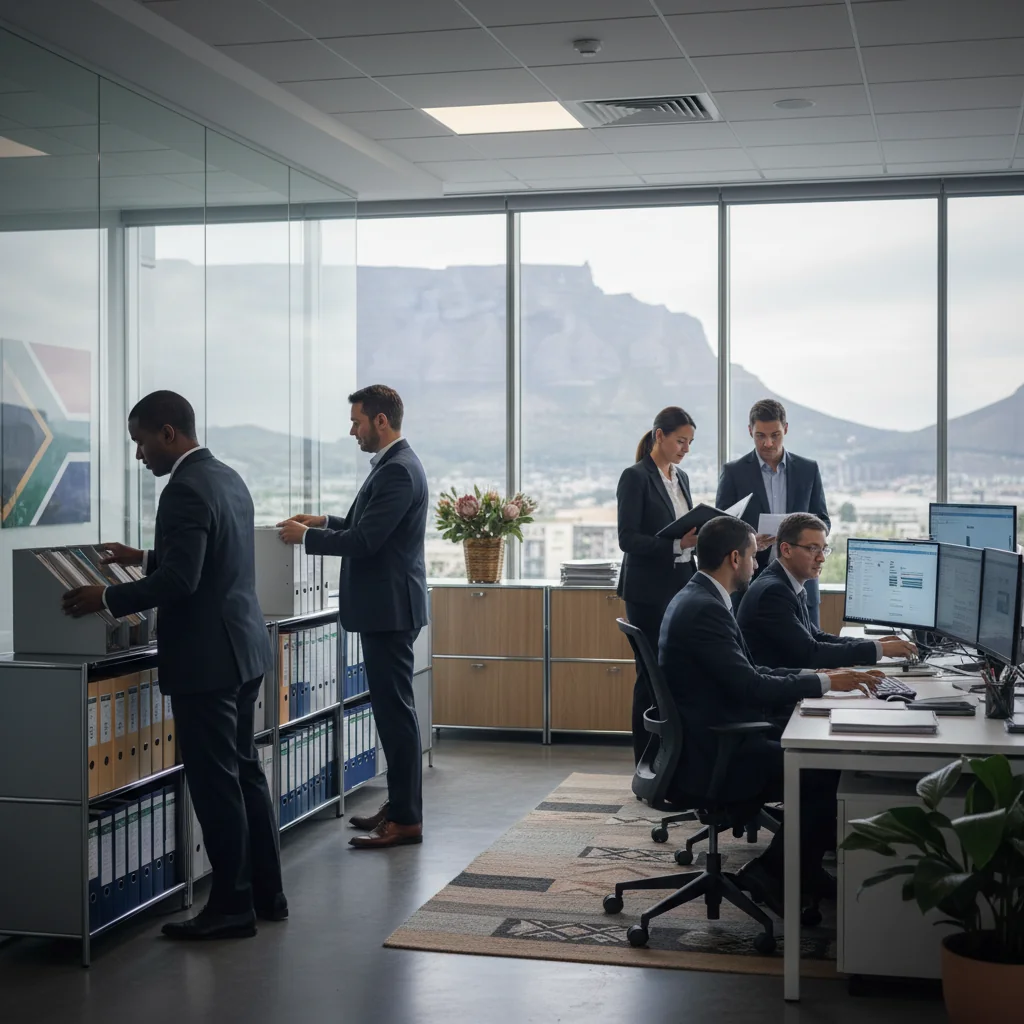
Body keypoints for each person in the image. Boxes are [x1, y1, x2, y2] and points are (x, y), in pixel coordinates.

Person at [62, 391, 284, 940]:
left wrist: (107, 600)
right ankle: (266, 892)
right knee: (245, 772)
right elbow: (211, 558)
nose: (140, 456)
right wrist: (140, 558)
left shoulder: (182, 488)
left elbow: (183, 581)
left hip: (208, 660)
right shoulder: (226, 476)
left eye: (140, 442)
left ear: (168, 433)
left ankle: (231, 908)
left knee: (215, 784)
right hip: (243, 648)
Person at [659, 515, 880, 910]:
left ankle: (799, 872)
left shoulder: (700, 597)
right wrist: (825, 682)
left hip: (709, 733)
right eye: (752, 556)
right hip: (714, 751)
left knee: (820, 754)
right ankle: (776, 874)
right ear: (733, 558)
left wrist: (819, 676)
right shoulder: (707, 609)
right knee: (822, 767)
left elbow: (750, 671)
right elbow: (751, 686)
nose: (757, 565)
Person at [278, 385, 427, 850]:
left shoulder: (398, 471)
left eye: (357, 421)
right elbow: (365, 527)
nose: (352, 430)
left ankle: (405, 819)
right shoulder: (394, 466)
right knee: (390, 713)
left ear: (381, 421)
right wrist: (323, 522)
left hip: (389, 611)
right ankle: (401, 806)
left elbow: (366, 543)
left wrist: (306, 538)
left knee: (395, 715)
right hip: (386, 608)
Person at [615, 406, 699, 765]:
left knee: (676, 676)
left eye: (690, 442)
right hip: (648, 593)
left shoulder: (681, 478)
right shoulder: (635, 478)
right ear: (659, 436)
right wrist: (677, 545)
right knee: (650, 679)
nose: (686, 449)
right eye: (681, 441)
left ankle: (673, 763)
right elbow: (628, 539)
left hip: (681, 587)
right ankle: (646, 764)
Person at [738, 512, 919, 669]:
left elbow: (815, 636)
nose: (822, 558)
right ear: (786, 550)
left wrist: (876, 644)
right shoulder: (774, 592)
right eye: (813, 549)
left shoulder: (786, 582)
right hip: (776, 702)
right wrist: (879, 649)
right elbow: (811, 653)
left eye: (824, 549)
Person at [716, 398, 829, 627]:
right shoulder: (734, 473)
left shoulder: (808, 470)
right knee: (754, 657)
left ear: (785, 429)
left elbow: (823, 520)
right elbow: (720, 530)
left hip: (801, 583)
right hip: (750, 586)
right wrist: (748, 542)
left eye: (775, 435)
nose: (768, 443)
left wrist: (806, 541)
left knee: (810, 654)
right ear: (750, 432)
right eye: (760, 436)